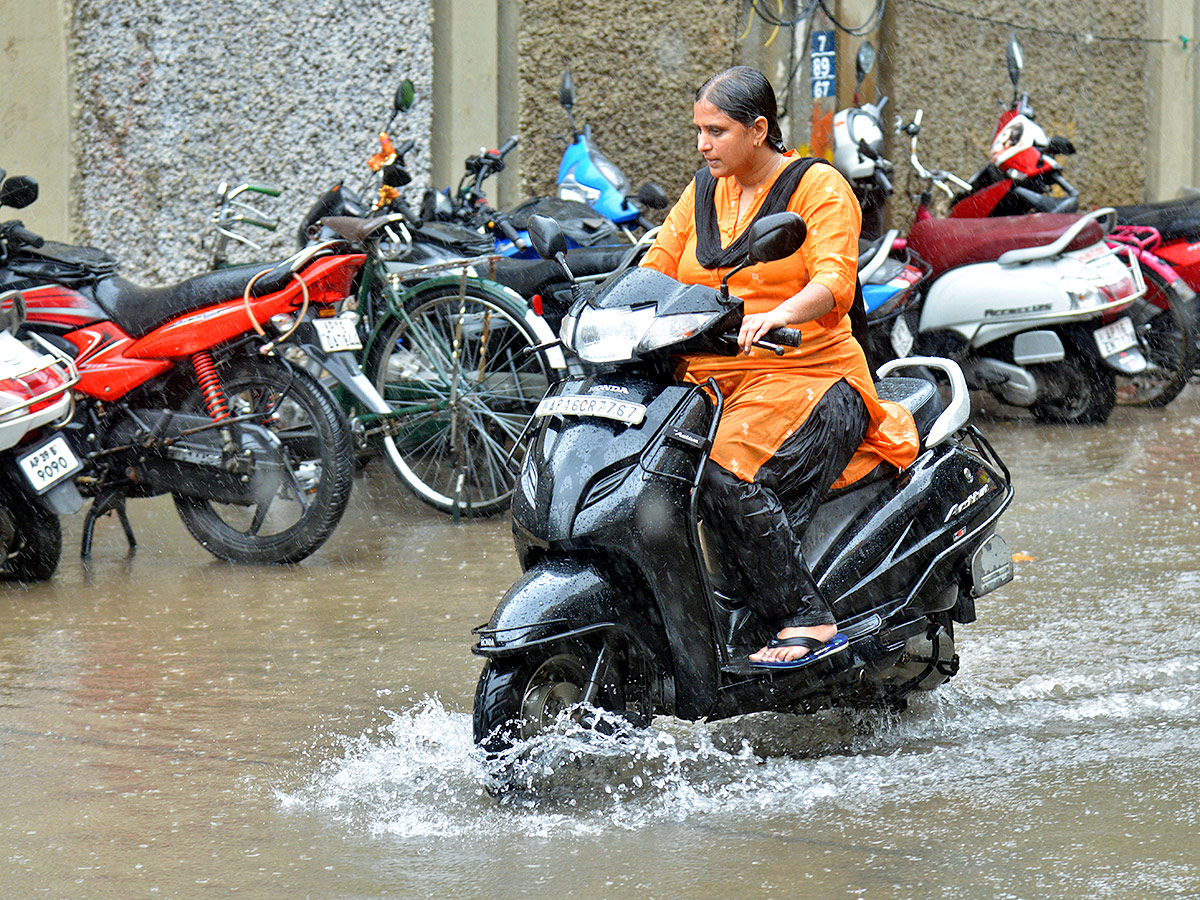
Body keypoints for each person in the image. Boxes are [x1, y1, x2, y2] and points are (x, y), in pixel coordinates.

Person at [640, 66, 919, 668]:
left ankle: (806, 619)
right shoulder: (703, 191)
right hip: (710, 378)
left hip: (812, 375)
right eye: (698, 130)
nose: (702, 143)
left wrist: (778, 313)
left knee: (724, 476)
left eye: (715, 131)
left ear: (758, 129)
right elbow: (657, 267)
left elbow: (834, 283)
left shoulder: (818, 187)